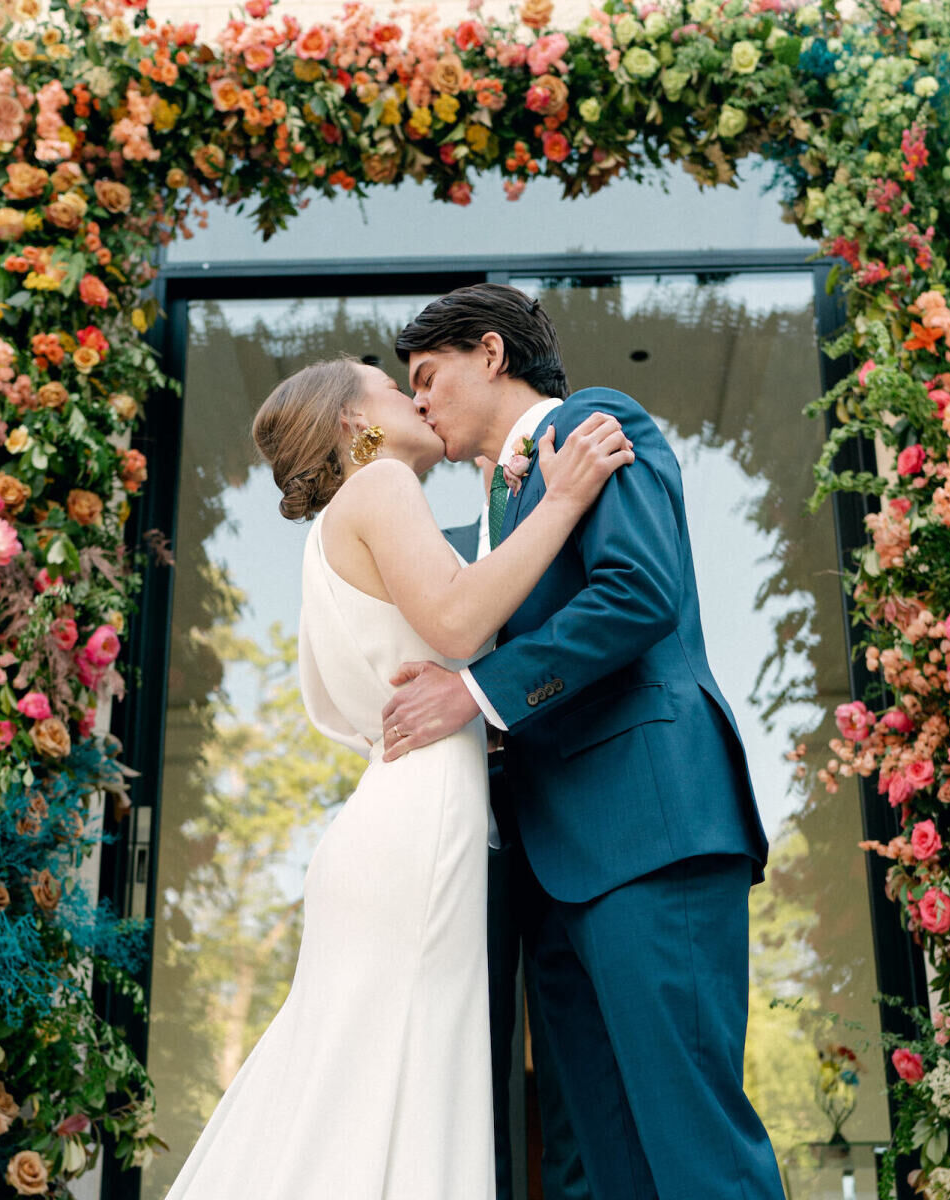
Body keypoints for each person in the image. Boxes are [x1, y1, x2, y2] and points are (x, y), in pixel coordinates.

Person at [163, 355, 633, 1200]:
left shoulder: (339, 528)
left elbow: (359, 695)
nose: (414, 397)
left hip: (396, 810)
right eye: (391, 386)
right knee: (400, 1080)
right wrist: (562, 500)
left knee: (369, 1080)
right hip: (416, 829)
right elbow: (458, 614)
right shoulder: (379, 487)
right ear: (355, 422)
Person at [381, 283, 785, 1200]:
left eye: (427, 376)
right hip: (551, 867)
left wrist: (475, 694)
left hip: (649, 829)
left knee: (695, 1145)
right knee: (603, 1162)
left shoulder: (597, 422)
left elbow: (637, 594)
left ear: (490, 354)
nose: (417, 402)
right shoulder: (495, 508)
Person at [443, 462, 590, 1200]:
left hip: (572, 799)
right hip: (469, 815)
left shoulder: (573, 526)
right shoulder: (432, 550)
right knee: (468, 1050)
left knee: (576, 1056)